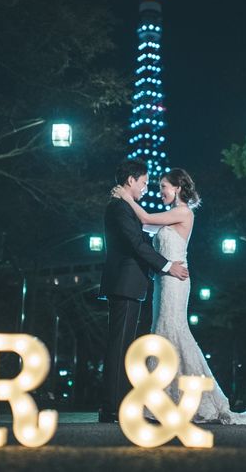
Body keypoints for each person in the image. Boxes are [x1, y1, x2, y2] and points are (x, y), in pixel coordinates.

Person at [112, 167, 246, 425]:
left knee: (171, 331)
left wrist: (126, 197)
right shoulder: (169, 216)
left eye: (163, 187)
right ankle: (165, 398)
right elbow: (145, 224)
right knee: (163, 332)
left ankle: (168, 399)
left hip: (176, 281)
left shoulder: (183, 212)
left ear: (177, 188)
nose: (160, 192)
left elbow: (145, 217)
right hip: (163, 281)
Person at [98, 159, 189, 424]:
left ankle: (116, 404)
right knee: (120, 346)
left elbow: (144, 230)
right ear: (131, 181)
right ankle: (112, 407)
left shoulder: (124, 206)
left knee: (124, 345)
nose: (146, 189)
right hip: (124, 283)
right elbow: (137, 244)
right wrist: (167, 265)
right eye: (144, 183)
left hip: (128, 283)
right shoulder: (119, 208)